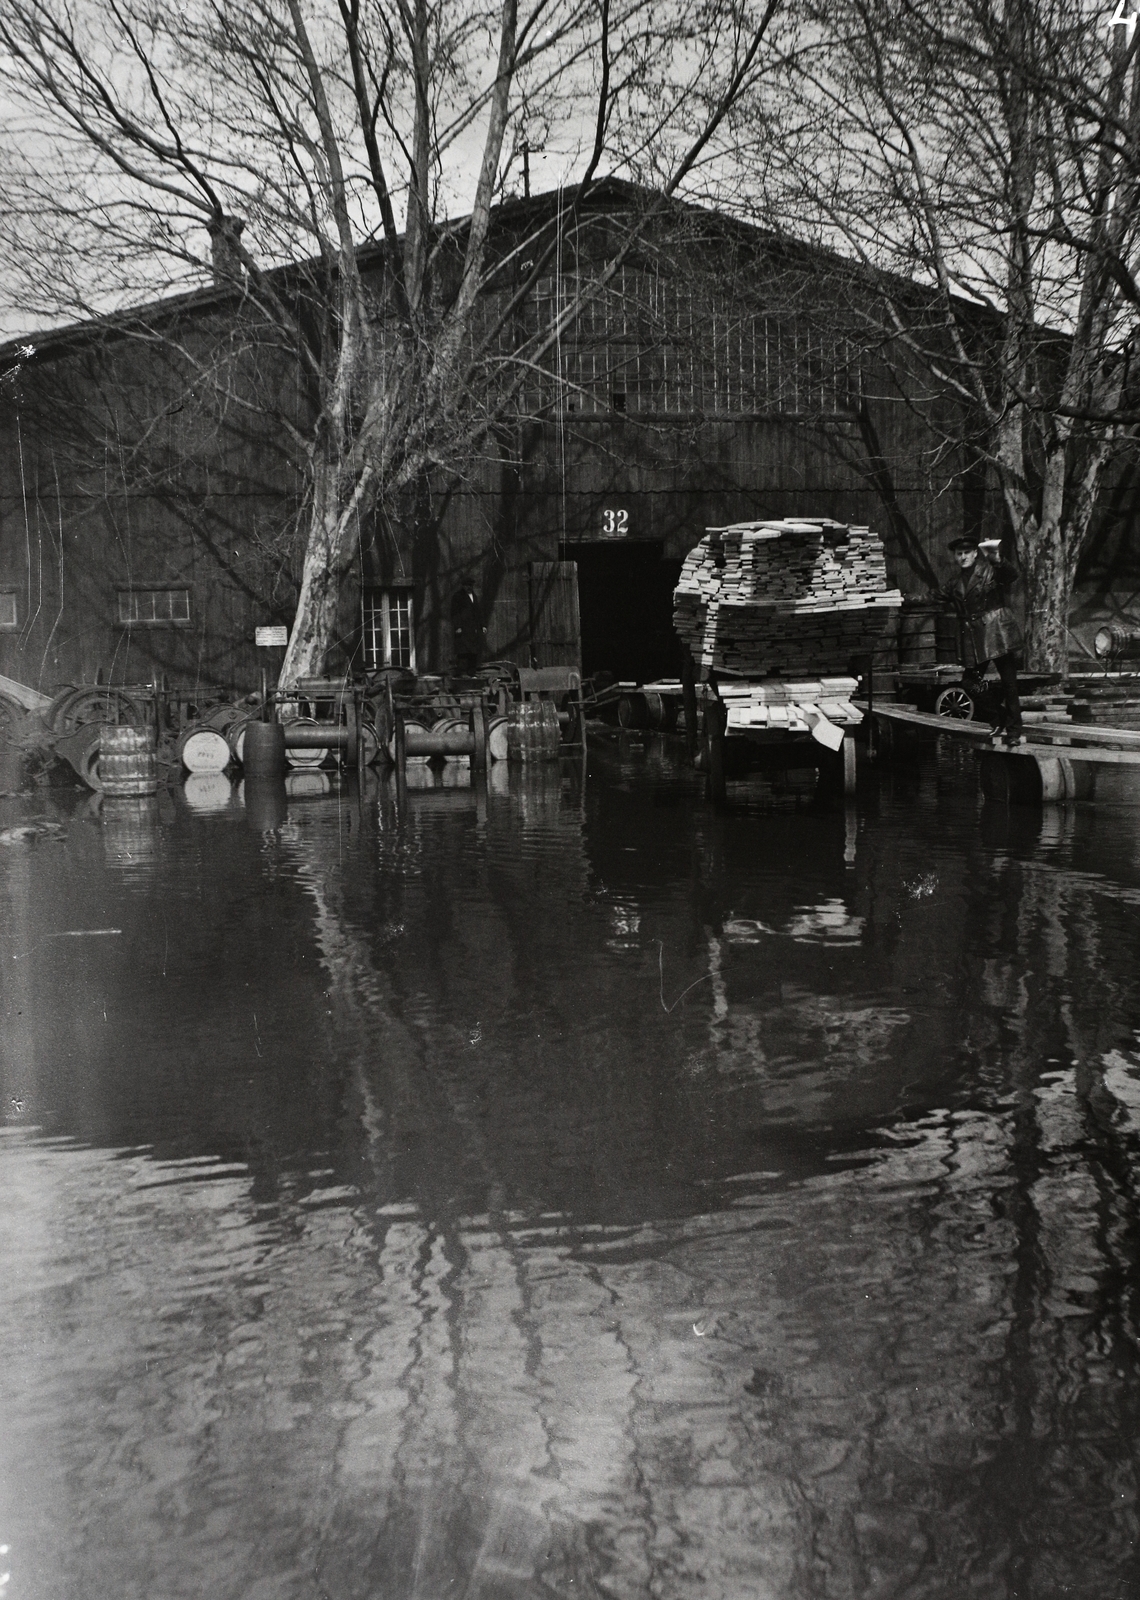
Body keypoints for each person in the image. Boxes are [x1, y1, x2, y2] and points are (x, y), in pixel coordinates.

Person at [931, 536, 1025, 744]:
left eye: (967, 552)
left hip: (999, 632)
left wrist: (998, 558)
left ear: (975, 553)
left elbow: (1011, 575)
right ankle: (999, 718)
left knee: (1009, 683)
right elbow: (931, 596)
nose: (963, 557)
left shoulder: (990, 571)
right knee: (970, 683)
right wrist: (898, 597)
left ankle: (1014, 732)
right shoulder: (955, 582)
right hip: (976, 640)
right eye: (959, 553)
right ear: (955, 556)